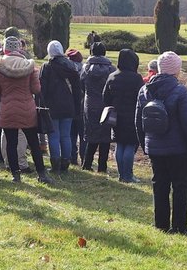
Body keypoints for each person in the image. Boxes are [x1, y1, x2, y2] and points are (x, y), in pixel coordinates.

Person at [136, 51, 187, 235]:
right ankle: (180, 226)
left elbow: (138, 121)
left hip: (155, 147)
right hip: (178, 148)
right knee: (180, 186)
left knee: (160, 185)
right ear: (177, 70)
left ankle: (161, 224)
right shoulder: (180, 91)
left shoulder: (144, 90)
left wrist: (145, 145)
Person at [0, 36, 53, 184]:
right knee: (33, 143)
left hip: (7, 109)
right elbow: (36, 89)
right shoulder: (29, 67)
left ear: (5, 49)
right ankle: (42, 174)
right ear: (19, 48)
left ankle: (16, 175)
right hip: (27, 109)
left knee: (11, 144)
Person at [39, 40, 83, 175]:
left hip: (52, 107)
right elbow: (77, 90)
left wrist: (42, 105)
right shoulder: (72, 67)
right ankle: (66, 163)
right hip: (68, 106)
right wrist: (76, 108)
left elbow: (42, 89)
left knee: (53, 136)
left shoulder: (46, 67)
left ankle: (55, 165)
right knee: (66, 136)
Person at [103, 49, 144, 183]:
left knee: (119, 144)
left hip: (117, 117)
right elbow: (142, 97)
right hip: (133, 115)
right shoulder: (136, 78)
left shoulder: (112, 76)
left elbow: (105, 98)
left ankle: (121, 174)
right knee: (130, 145)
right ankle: (128, 175)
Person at [81, 42, 115, 172]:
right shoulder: (111, 69)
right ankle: (102, 166)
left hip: (90, 104)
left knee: (91, 134)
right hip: (106, 105)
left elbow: (81, 84)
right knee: (105, 136)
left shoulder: (86, 68)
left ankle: (87, 164)